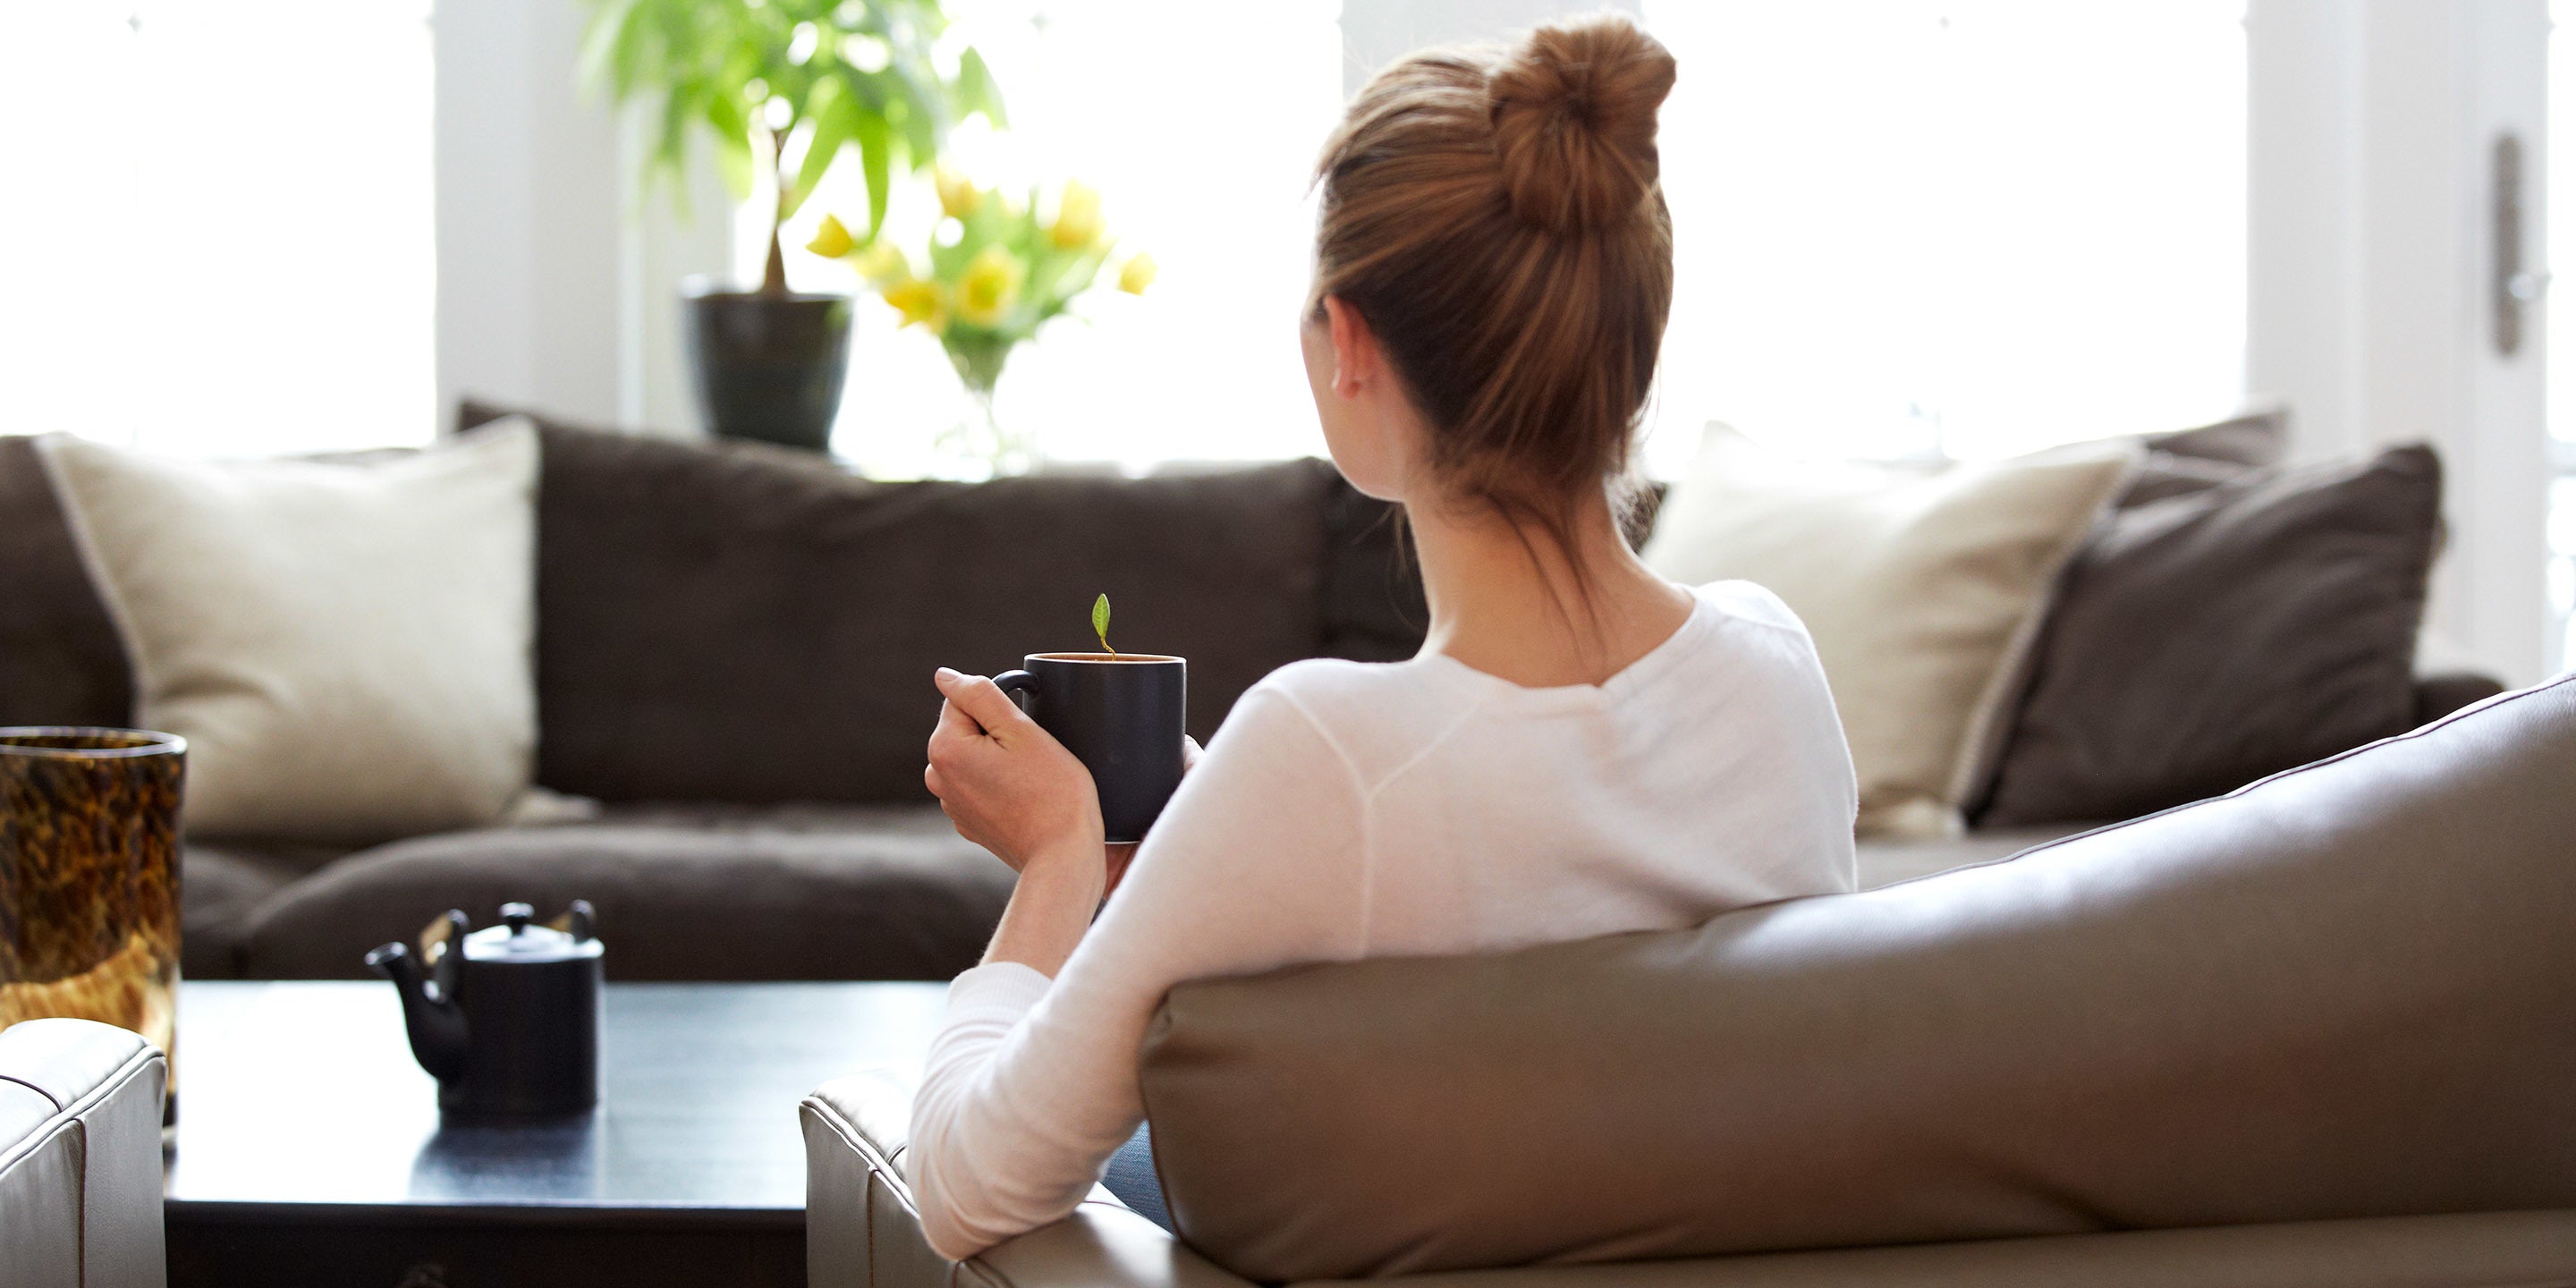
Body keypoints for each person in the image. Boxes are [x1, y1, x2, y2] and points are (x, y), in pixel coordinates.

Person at [909, 13, 1857, 1260]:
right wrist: (1217, 832)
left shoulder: (1326, 755)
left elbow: (965, 1189)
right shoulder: (1774, 672)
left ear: (1350, 345)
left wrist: (1057, 864)